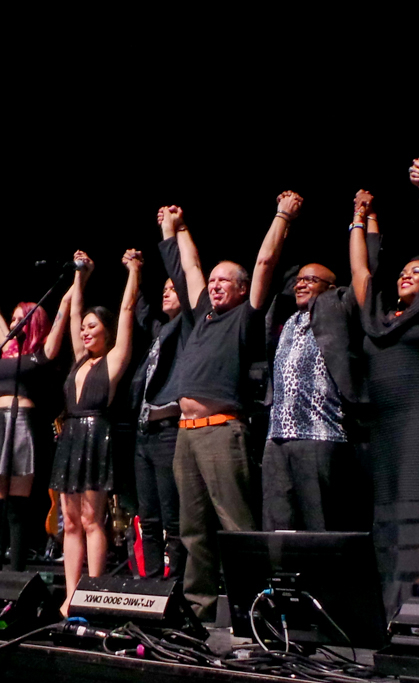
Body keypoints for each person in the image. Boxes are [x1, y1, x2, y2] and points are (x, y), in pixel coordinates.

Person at [173, 190, 302, 621]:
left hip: (221, 430)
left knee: (236, 525)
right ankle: (198, 610)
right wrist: (181, 228)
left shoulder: (245, 316)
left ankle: (256, 612)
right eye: (213, 281)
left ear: (242, 289)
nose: (213, 286)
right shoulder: (202, 317)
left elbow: (264, 263)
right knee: (193, 532)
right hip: (186, 435)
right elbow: (191, 268)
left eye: (223, 281)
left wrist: (282, 216)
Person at [351, 175, 419, 620]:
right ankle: (389, 614)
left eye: (416, 272)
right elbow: (362, 272)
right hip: (384, 426)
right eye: (403, 271)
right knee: (388, 520)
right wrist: (359, 219)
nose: (405, 274)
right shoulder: (377, 319)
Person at [262, 219, 367, 532]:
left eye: (311, 280)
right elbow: (271, 273)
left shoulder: (339, 311)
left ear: (331, 288)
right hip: (277, 438)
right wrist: (284, 224)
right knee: (277, 529)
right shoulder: (286, 320)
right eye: (299, 280)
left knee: (319, 527)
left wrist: (361, 224)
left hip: (320, 435)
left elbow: (363, 277)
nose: (300, 284)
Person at [51, 249, 141, 614]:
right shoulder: (79, 361)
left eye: (93, 326)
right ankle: (70, 595)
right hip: (71, 438)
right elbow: (74, 313)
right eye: (84, 328)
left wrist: (133, 271)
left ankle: (93, 592)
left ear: (107, 330)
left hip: (96, 436)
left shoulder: (114, 359)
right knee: (70, 522)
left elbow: (127, 310)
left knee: (91, 520)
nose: (86, 331)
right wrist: (80, 276)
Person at [0, 262, 73, 571]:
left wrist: (79, 280)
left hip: (23, 424)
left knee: (17, 507)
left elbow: (63, 311)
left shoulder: (40, 355)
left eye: (21, 319)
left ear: (35, 324)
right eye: (13, 318)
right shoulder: (6, 350)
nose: (15, 323)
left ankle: (15, 573)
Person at [127, 206, 200, 579]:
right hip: (144, 433)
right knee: (149, 517)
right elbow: (139, 313)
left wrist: (170, 234)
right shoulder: (161, 331)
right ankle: (151, 583)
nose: (167, 292)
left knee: (173, 516)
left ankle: (177, 588)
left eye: (172, 289)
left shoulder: (189, 326)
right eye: (165, 289)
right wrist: (135, 273)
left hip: (170, 431)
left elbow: (186, 281)